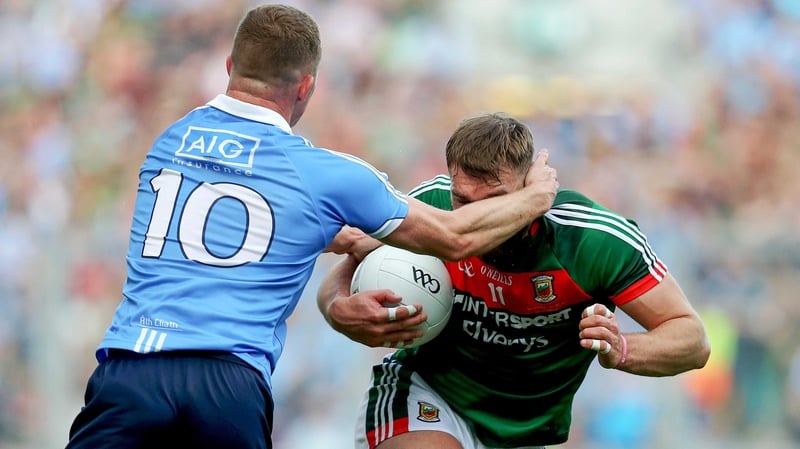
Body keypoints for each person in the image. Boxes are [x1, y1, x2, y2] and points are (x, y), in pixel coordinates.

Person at [64, 6, 560, 449]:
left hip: (131, 368)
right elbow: (454, 237)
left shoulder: (171, 140)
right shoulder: (326, 174)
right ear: (307, 86)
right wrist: (534, 197)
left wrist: (349, 256)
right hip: (228, 384)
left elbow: (272, 228)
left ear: (231, 68)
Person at [317, 112, 711, 449]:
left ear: (531, 187)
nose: (475, 216)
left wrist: (621, 347)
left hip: (525, 430)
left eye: (495, 200)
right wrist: (338, 310)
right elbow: (344, 270)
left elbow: (692, 341)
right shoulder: (432, 205)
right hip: (427, 392)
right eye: (462, 200)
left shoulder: (595, 242)